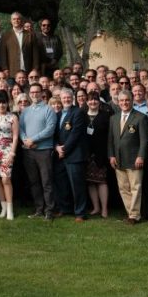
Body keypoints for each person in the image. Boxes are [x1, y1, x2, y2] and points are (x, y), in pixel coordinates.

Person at [108, 91, 148, 224]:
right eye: (121, 101)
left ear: (132, 101)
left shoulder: (140, 117)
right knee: (123, 188)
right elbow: (110, 140)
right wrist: (111, 155)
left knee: (135, 187)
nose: (124, 103)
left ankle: (134, 215)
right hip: (118, 159)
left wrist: (141, 156)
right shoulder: (113, 118)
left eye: (127, 100)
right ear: (118, 102)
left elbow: (144, 140)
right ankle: (130, 213)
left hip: (134, 159)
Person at [20, 82, 58, 220]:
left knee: (46, 181)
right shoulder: (25, 111)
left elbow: (50, 129)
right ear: (30, 94)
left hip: (43, 151)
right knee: (34, 181)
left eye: (37, 92)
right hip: (28, 151)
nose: (34, 94)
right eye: (32, 92)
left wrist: (33, 140)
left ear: (42, 94)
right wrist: (26, 140)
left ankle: (49, 211)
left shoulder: (49, 110)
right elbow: (21, 129)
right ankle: (39, 209)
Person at [55, 88, 89, 222]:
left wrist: (64, 149)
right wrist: (56, 147)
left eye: (69, 97)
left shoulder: (78, 112)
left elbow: (76, 134)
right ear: (60, 99)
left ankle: (80, 213)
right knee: (62, 184)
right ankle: (65, 208)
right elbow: (54, 134)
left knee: (77, 185)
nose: (66, 100)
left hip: (74, 155)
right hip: (60, 155)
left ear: (72, 98)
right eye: (64, 98)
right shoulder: (57, 114)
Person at [0, 92, 19, 220]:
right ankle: (3, 208)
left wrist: (12, 152)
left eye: (3, 102)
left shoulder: (13, 117)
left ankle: (10, 210)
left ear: (7, 103)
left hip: (7, 151)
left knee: (6, 179)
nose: (1, 105)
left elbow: (16, 136)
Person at [83, 91, 112, 218]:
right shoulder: (82, 116)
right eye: (90, 99)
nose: (92, 102)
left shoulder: (106, 116)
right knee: (90, 182)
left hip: (101, 154)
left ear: (99, 102)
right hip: (87, 155)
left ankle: (104, 209)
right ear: (86, 101)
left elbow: (110, 136)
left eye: (95, 99)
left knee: (102, 181)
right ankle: (96, 207)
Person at [0, 11, 40, 77]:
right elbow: (2, 53)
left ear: (22, 20)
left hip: (28, 70)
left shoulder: (30, 35)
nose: (16, 21)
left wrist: (35, 68)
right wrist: (5, 68)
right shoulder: (6, 36)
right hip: (12, 69)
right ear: (11, 21)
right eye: (14, 19)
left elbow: (35, 53)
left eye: (18, 19)